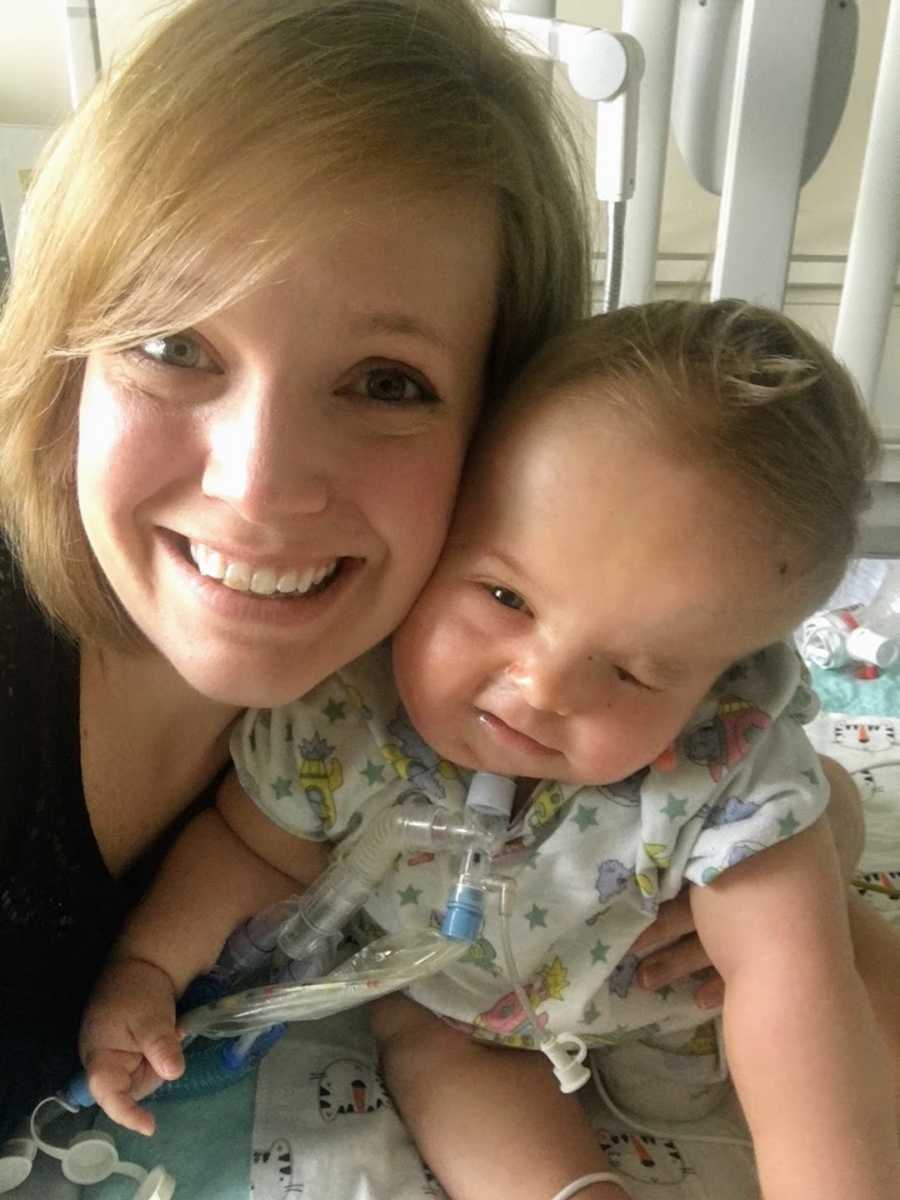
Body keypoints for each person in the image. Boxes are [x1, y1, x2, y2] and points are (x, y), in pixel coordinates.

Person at [81, 299, 899, 1200]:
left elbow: (794, 1000)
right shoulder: (346, 716)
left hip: (674, 1003)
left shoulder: (721, 767)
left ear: (720, 680)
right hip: (466, 1013)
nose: (543, 688)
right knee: (429, 1047)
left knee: (841, 969)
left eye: (630, 671)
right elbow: (248, 849)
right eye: (505, 598)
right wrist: (149, 966)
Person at [0, 0, 596, 1139]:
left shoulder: (447, 677)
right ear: (66, 365)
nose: (261, 488)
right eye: (175, 346)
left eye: (386, 382)